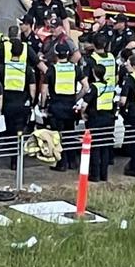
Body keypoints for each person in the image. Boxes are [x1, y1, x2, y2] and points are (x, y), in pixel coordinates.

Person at [41, 40, 87, 171]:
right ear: (68, 54)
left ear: (56, 54)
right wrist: (76, 97)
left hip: (56, 107)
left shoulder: (51, 70)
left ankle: (61, 164)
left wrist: (43, 106)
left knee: (58, 136)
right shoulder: (75, 68)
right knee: (70, 134)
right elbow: (86, 87)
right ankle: (72, 162)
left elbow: (44, 91)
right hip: (70, 107)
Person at [0, 26, 37, 170]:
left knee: (8, 130)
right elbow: (32, 89)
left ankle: (10, 154)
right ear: (21, 53)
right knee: (19, 131)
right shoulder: (27, 69)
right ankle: (16, 159)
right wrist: (31, 102)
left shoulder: (2, 68)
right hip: (22, 104)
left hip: (8, 104)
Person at [85, 63, 116, 182]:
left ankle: (95, 174)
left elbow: (84, 104)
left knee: (96, 148)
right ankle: (104, 175)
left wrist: (83, 113)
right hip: (108, 119)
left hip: (96, 119)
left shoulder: (94, 87)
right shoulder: (110, 86)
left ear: (94, 73)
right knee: (105, 147)